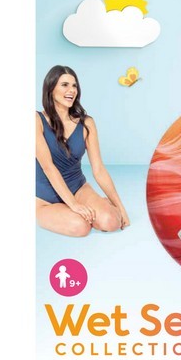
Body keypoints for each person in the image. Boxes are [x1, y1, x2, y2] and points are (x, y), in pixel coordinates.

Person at [34, 67, 129, 236]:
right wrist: (73, 205)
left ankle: (102, 205)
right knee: (81, 227)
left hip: (78, 189)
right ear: (51, 88)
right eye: (65, 85)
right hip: (45, 199)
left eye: (74, 86)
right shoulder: (36, 120)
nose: (71, 90)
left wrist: (120, 207)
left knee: (111, 221)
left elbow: (98, 169)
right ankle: (77, 209)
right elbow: (48, 167)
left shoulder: (87, 123)